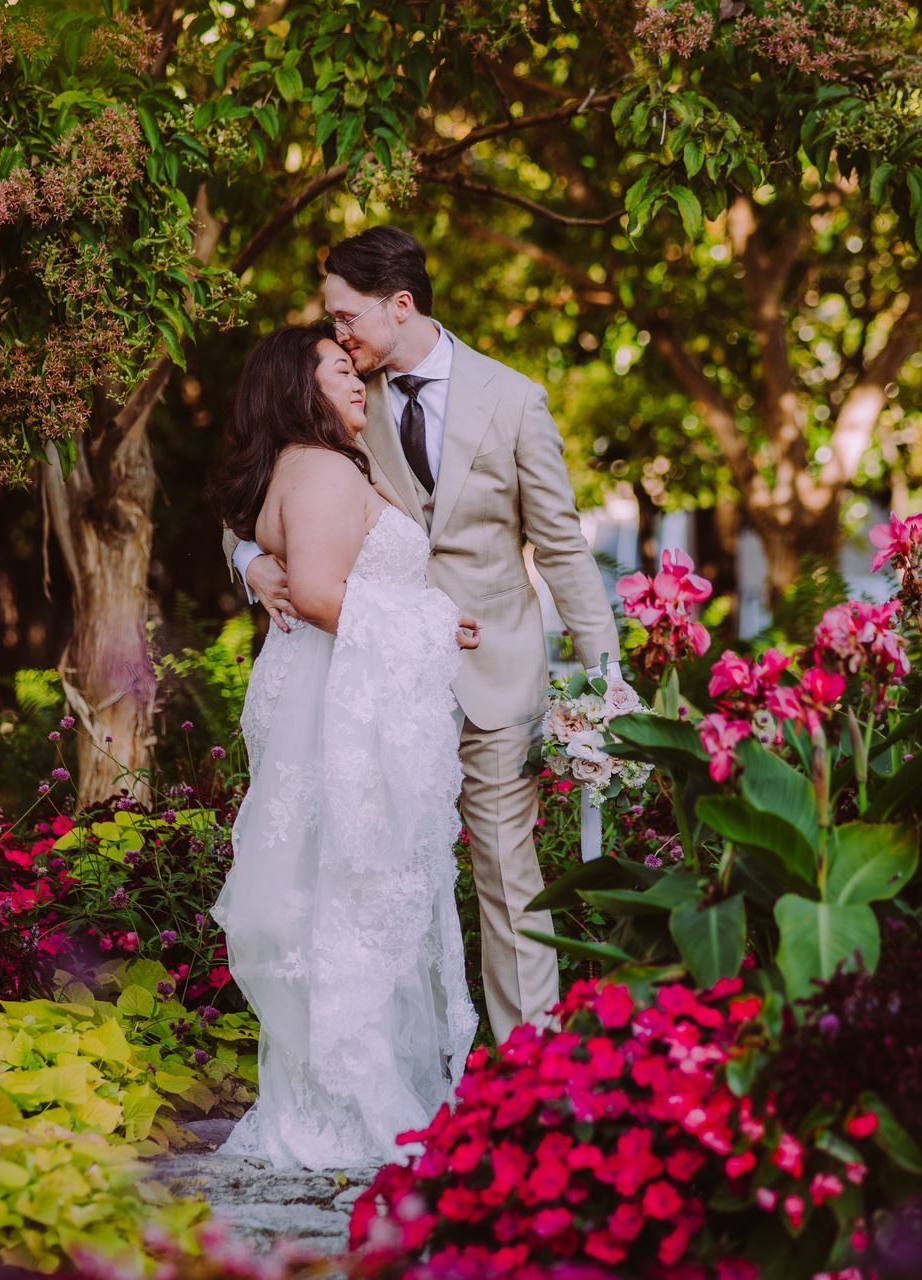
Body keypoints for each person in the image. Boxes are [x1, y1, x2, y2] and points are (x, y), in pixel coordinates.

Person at [228, 226, 622, 1042]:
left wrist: (606, 677)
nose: (336, 333)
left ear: (398, 305)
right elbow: (259, 487)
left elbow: (560, 547)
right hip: (372, 682)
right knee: (376, 877)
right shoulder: (336, 397)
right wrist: (247, 561)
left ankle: (528, 1076)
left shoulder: (513, 399)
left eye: (346, 316)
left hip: (494, 683)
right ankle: (397, 1070)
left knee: (510, 880)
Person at [207, 322, 481, 1169]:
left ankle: (337, 1095)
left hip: (333, 698)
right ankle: (350, 1105)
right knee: (351, 895)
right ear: (298, 387)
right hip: (339, 710)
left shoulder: (306, 464)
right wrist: (437, 623)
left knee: (334, 893)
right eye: (337, 369)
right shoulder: (322, 469)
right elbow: (326, 596)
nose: (356, 378)